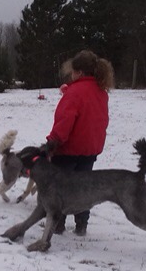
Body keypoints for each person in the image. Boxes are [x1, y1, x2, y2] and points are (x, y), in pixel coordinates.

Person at [45, 49, 115, 236]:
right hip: (90, 150)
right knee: (83, 190)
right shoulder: (101, 92)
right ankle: (81, 225)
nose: (71, 75)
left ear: (80, 72)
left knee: (60, 188)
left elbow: (64, 123)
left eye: (73, 72)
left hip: (68, 151)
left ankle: (57, 224)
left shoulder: (74, 93)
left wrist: (52, 143)